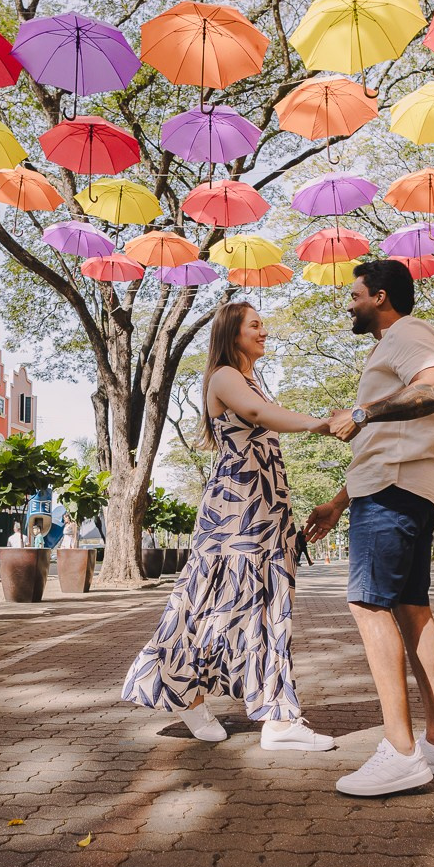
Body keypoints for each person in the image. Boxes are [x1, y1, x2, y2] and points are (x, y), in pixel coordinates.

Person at [123, 300, 334, 750]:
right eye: (255, 325)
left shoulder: (251, 379)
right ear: (232, 333)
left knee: (256, 606)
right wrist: (321, 425)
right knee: (220, 604)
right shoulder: (224, 376)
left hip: (265, 507)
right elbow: (256, 417)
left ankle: (245, 707)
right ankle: (197, 692)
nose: (264, 332)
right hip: (237, 512)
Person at [305, 260, 434, 796]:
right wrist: (336, 502)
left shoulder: (406, 333)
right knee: (411, 609)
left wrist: (364, 412)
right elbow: (383, 447)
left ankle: (400, 751)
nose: (347, 305)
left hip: (394, 494)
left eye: (354, 296)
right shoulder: (389, 346)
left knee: (368, 605)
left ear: (379, 296)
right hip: (401, 489)